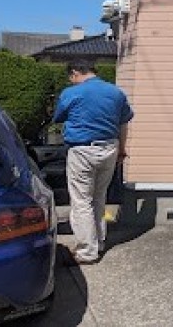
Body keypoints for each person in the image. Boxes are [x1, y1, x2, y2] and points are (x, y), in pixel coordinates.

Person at [52, 59, 133, 264]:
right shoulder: (116, 93)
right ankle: (99, 241)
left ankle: (87, 251)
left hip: (82, 149)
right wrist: (122, 150)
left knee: (81, 201)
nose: (71, 81)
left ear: (75, 72)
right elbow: (123, 124)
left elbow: (59, 116)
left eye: (71, 78)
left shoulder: (72, 93)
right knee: (99, 197)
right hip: (110, 148)